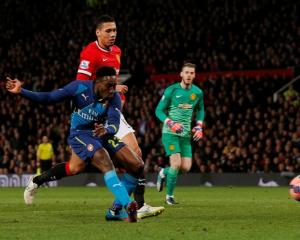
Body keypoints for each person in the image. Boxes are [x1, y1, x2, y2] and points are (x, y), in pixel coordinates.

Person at [6, 66, 144, 222]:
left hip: (102, 133)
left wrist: (106, 130)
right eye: (109, 85)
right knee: (104, 160)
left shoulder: (114, 97)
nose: (113, 89)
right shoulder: (79, 87)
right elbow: (49, 98)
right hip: (80, 133)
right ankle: (128, 204)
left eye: (115, 85)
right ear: (97, 82)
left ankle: (114, 211)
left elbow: (114, 124)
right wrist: (21, 91)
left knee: (136, 165)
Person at [76, 15, 164, 218]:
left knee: (137, 154)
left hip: (112, 111)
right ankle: (39, 180)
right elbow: (80, 86)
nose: (113, 34)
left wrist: (117, 94)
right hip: (96, 113)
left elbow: (110, 82)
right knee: (77, 166)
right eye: (108, 31)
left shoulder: (116, 51)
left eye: (115, 30)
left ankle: (128, 207)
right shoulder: (89, 54)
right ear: (98, 32)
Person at [155, 62, 205, 205]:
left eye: (191, 73)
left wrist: (199, 126)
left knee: (185, 167)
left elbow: (201, 110)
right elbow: (158, 111)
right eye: (186, 72)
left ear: (194, 75)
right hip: (169, 133)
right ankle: (169, 197)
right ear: (181, 74)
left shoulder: (198, 92)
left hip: (185, 134)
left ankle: (164, 172)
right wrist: (171, 123)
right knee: (176, 164)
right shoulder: (172, 90)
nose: (189, 75)